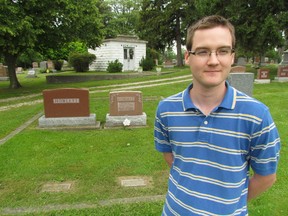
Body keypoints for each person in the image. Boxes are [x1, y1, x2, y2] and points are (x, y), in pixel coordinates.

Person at [154, 15, 280, 215]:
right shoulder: (166, 109)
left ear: (231, 56)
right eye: (203, 52)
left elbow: (266, 177)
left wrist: (227, 201)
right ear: (188, 57)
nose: (213, 61)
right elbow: (172, 158)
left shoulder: (257, 116)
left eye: (222, 51)